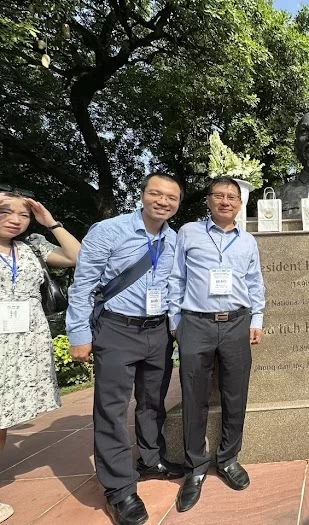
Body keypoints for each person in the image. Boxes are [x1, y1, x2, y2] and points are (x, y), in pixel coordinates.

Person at [66, 173, 184, 525]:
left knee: (152, 402)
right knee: (112, 410)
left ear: (177, 204)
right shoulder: (109, 230)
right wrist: (78, 333)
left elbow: (173, 285)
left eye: (171, 198)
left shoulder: (174, 239)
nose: (163, 202)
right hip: (116, 329)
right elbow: (84, 283)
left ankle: (150, 461)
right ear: (143, 194)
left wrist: (176, 326)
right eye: (156, 194)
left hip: (157, 330)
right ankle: (120, 489)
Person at [169, 176, 265, 513]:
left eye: (232, 197)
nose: (225, 202)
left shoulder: (248, 241)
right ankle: (195, 468)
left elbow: (255, 281)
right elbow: (176, 277)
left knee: (235, 393)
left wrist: (257, 319)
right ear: (208, 200)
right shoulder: (189, 233)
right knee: (193, 394)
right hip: (196, 322)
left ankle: (228, 459)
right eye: (218, 196)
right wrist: (175, 320)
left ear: (241, 204)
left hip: (237, 321)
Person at [0, 186, 80, 523]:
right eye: (6, 211)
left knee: (3, 418)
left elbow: (77, 256)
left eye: (24, 214)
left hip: (24, 341)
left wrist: (51, 223)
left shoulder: (31, 247)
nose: (16, 220)